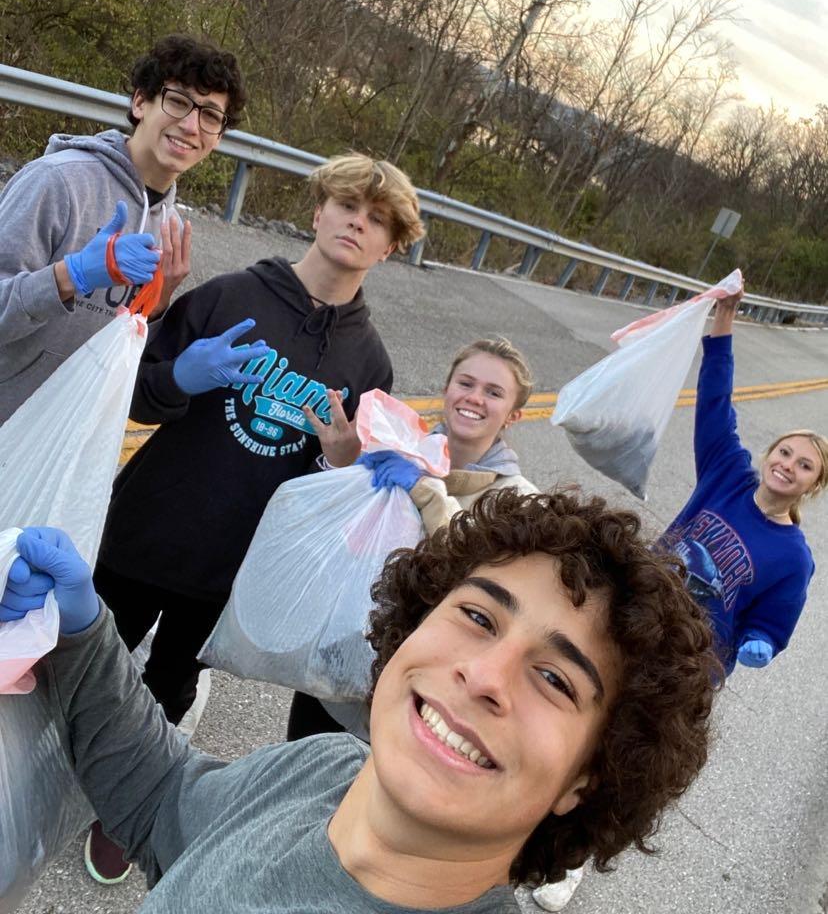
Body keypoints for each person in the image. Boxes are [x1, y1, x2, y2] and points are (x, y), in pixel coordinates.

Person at [2, 487, 719, 912]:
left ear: (587, 777)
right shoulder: (330, 769)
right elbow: (168, 805)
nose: (484, 676)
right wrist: (83, 633)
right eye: (478, 616)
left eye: (556, 679)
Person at [83, 153, 423, 882]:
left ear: (390, 247)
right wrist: (179, 376)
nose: (358, 223)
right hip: (147, 528)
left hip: (235, 567)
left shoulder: (369, 361)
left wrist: (341, 462)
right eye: (347, 206)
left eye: (378, 220)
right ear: (318, 212)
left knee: (167, 684)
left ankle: (129, 803)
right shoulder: (230, 296)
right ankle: (41, 767)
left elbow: (338, 505)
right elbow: (133, 394)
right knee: (82, 654)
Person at [286, 336, 538, 742]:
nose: (474, 398)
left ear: (513, 415)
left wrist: (426, 492)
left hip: (421, 690)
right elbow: (338, 540)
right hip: (339, 664)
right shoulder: (398, 449)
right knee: (300, 764)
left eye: (494, 393)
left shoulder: (520, 502)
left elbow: (479, 576)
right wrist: (342, 464)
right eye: (466, 383)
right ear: (447, 389)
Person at [0, 33, 247, 424]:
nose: (190, 125)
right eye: (178, 102)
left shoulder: (170, 227)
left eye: (210, 116)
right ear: (140, 103)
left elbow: (116, 356)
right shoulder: (57, 183)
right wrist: (70, 275)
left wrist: (156, 304)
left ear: (217, 139)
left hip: (67, 443)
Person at [657, 287, 826, 676]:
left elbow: (772, 621)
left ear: (814, 485)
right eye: (785, 452)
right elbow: (715, 401)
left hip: (686, 666)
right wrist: (725, 316)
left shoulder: (794, 558)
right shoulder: (728, 472)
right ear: (770, 454)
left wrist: (760, 640)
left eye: (804, 466)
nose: (788, 466)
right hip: (639, 611)